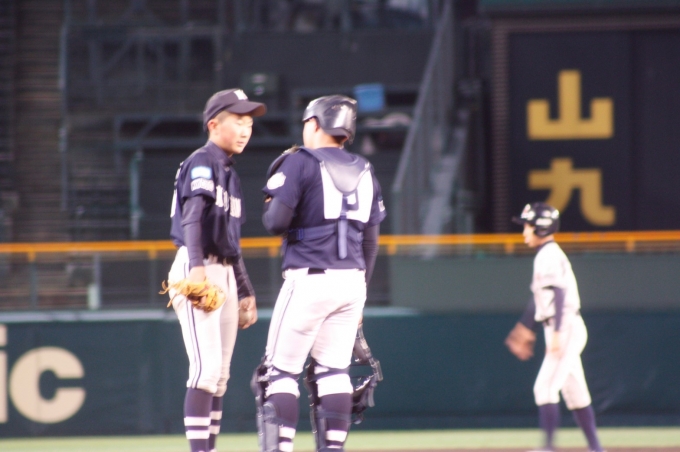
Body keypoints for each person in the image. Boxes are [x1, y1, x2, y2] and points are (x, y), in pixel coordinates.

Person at [252, 95, 386, 452]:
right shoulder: (366, 169)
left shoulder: (300, 161)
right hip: (353, 282)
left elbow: (275, 223)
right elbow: (371, 243)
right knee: (333, 373)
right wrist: (361, 295)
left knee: (278, 374)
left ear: (314, 123)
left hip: (310, 277)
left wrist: (272, 203)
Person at [166, 88, 264, 452]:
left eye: (249, 123)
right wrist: (196, 268)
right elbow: (192, 219)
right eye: (238, 121)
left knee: (220, 377)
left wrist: (245, 289)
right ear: (213, 124)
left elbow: (231, 242)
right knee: (205, 372)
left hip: (222, 270)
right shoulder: (203, 161)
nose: (245, 130)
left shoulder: (229, 173)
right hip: (199, 267)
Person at [509, 202, 605, 452]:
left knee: (544, 388)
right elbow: (541, 298)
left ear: (540, 228)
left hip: (565, 326)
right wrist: (526, 328)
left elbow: (560, 294)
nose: (524, 231)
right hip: (562, 325)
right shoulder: (547, 254)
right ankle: (596, 448)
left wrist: (558, 333)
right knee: (576, 394)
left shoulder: (549, 255)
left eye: (528, 226)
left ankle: (548, 448)